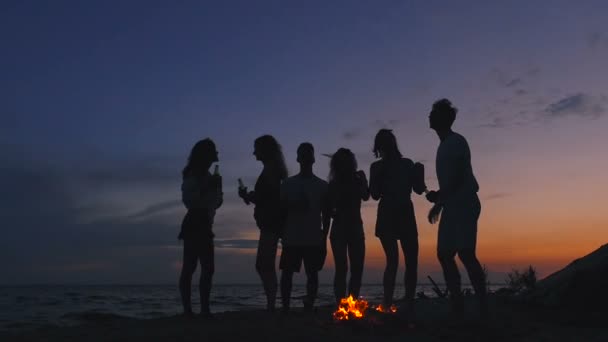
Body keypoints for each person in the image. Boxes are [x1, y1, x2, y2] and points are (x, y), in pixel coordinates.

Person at [425, 98, 488, 317]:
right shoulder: (442, 145)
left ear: (444, 118)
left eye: (434, 113)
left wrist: (440, 196)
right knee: (444, 254)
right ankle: (458, 304)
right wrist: (440, 202)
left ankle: (482, 304)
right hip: (452, 206)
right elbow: (450, 182)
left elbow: (460, 176)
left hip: (465, 204)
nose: (429, 116)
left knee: (466, 254)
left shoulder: (456, 141)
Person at [369, 129, 426, 318]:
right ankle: (388, 302)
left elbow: (418, 189)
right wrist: (378, 177)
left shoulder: (407, 164)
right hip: (388, 214)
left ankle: (407, 302)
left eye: (386, 143)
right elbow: (375, 194)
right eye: (382, 144)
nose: (384, 147)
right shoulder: (377, 167)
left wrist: (420, 172)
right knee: (393, 261)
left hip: (403, 213)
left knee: (409, 261)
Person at [279, 143, 330, 314]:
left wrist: (324, 236)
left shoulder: (322, 186)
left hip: (313, 236)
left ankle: (309, 305)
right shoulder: (287, 184)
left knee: (312, 274)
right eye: (303, 154)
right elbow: (281, 210)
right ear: (298, 158)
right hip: (291, 235)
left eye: (309, 154)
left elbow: (327, 213)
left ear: (313, 159)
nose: (307, 158)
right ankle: (285, 307)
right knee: (287, 273)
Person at [238, 135, 288, 312]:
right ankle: (272, 303)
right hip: (270, 223)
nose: (254, 153)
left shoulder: (271, 170)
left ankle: (271, 304)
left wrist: (250, 196)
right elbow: (267, 198)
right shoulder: (272, 169)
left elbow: (270, 199)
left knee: (263, 264)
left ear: (264, 150)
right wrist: (249, 197)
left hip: (271, 223)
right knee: (265, 264)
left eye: (256, 149)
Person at [178, 138, 223, 318]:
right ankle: (189, 309)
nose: (217, 154)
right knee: (191, 267)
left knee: (206, 268)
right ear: (206, 154)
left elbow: (216, 203)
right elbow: (190, 201)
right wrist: (209, 188)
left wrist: (218, 190)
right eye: (214, 151)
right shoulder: (192, 174)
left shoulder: (209, 176)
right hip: (195, 221)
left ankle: (204, 309)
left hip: (205, 222)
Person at [327, 148, 369, 304]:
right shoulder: (333, 184)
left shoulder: (357, 178)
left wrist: (363, 180)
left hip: (356, 227)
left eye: (347, 160)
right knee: (342, 268)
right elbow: (329, 209)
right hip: (339, 228)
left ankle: (352, 303)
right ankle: (341, 304)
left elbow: (366, 195)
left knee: (357, 268)